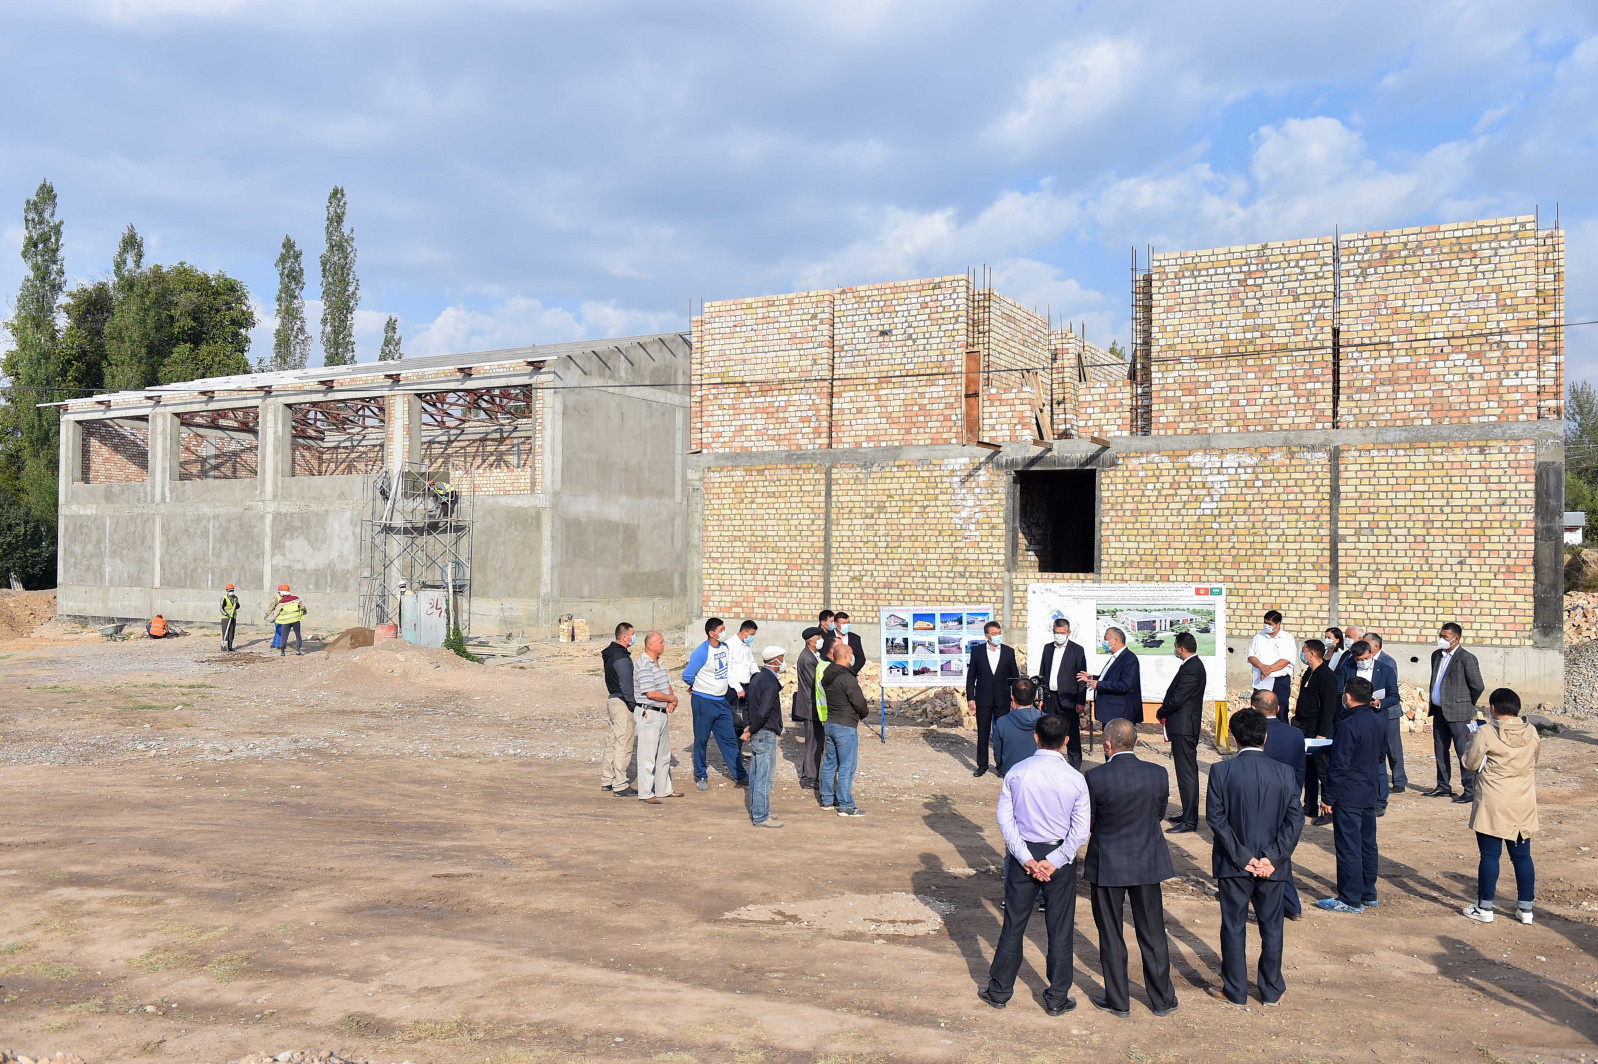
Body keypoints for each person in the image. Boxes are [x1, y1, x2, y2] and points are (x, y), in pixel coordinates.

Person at [978, 714, 1091, 1016]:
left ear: (1036, 738)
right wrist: (1054, 861)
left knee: (1014, 923)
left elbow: (1005, 820)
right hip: (1060, 857)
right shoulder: (1075, 778)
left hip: (1023, 856)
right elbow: (1080, 831)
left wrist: (1026, 858)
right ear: (1066, 742)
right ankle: (1056, 997)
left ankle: (999, 991)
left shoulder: (1017, 772)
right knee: (1060, 927)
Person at [1204, 707, 1303, 1008]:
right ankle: (1271, 990)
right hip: (1273, 867)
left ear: (1234, 738)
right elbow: (1295, 820)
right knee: (1272, 926)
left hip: (1233, 864)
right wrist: (1272, 858)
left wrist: (1243, 857)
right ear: (1265, 737)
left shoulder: (1221, 771)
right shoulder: (1285, 772)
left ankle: (1235, 991)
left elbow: (1216, 818)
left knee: (1233, 926)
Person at [1084, 718, 1179, 1018]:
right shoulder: (1158, 773)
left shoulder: (1095, 777)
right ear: (1136, 742)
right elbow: (1159, 813)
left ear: (1107, 745)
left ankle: (1118, 1000)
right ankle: (1162, 999)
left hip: (1107, 862)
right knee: (1153, 932)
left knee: (1111, 933)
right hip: (1147, 860)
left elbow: (1090, 820)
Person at [1461, 688, 1540, 925]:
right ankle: (1526, 909)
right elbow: (1535, 758)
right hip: (1522, 802)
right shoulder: (1531, 730)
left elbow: (1470, 763)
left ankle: (1485, 907)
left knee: (1489, 856)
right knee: (1522, 857)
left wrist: (1470, 742)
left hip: (1493, 802)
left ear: (1493, 708)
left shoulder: (1485, 731)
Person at [1315, 677, 1385, 914]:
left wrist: (1328, 797)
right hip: (1369, 790)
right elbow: (1380, 756)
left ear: (1348, 696)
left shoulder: (1348, 724)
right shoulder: (1377, 721)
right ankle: (1368, 893)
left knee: (1348, 846)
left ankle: (1349, 898)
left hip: (1348, 793)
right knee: (1367, 844)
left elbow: (1339, 765)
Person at [682, 617, 748, 791]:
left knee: (729, 739)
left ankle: (740, 775)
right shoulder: (702, 652)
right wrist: (696, 687)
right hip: (704, 701)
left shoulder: (725, 648)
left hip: (721, 701)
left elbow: (728, 671)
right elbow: (687, 675)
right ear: (712, 633)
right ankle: (701, 775)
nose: (724, 632)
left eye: (724, 629)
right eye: (721, 630)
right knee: (702, 739)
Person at [1256, 691, 1306, 920]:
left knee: (1265, 852)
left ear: (1254, 709)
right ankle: (1291, 905)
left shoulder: (1255, 732)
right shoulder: (1295, 733)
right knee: (1281, 848)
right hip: (1289, 797)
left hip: (1261, 800)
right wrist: (1295, 794)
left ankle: (1282, 904)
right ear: (1278, 709)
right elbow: (1300, 768)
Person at [1427, 622, 1485, 804]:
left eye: (1445, 637)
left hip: (1459, 713)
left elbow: (1477, 686)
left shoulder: (1467, 658)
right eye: (1440, 635)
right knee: (1440, 750)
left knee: (1464, 752)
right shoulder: (1436, 655)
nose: (1441, 639)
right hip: (1439, 711)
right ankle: (1443, 785)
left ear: (1456, 639)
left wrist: (1465, 702)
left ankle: (1469, 789)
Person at [1156, 631, 1206, 834]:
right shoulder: (1190, 666)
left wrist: (1162, 711)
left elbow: (1178, 698)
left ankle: (1190, 820)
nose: (1175, 650)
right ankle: (1187, 813)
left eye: (1176, 646)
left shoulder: (1192, 668)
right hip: (1181, 726)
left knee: (1187, 774)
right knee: (1183, 772)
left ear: (1181, 648)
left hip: (1184, 727)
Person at [1292, 638, 1340, 825]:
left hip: (1318, 730)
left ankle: (1328, 810)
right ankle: (1310, 804)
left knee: (1323, 771)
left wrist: (1323, 732)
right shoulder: (1309, 673)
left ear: (1311, 654)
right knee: (1308, 769)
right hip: (1304, 727)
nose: (1302, 655)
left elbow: (1329, 707)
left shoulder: (1326, 676)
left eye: (1304, 651)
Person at [819, 642, 870, 817]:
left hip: (831, 722)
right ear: (847, 656)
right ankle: (845, 804)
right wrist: (863, 713)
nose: (853, 657)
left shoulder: (828, 674)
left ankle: (827, 799)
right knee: (847, 766)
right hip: (845, 725)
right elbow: (859, 701)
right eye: (851, 654)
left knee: (830, 763)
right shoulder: (847, 677)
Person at [632, 631, 683, 804]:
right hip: (649, 712)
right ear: (650, 645)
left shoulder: (660, 662)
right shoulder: (643, 664)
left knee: (663, 754)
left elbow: (666, 684)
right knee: (647, 755)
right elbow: (651, 693)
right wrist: (672, 699)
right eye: (660, 642)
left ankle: (663, 789)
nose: (663, 645)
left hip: (661, 712)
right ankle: (646, 792)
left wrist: (671, 700)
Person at [966, 620, 1021, 778]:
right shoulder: (977, 652)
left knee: (1002, 734)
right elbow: (971, 677)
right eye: (994, 634)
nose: (997, 636)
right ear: (987, 636)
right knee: (983, 734)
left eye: (999, 633)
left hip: (1002, 699)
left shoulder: (1008, 652)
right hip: (983, 699)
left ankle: (1001, 766)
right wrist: (971, 697)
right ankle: (982, 765)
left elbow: (1014, 678)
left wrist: (1015, 698)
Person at [742, 645, 787, 829]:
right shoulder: (769, 682)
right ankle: (761, 816)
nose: (783, 662)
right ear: (775, 660)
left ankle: (760, 810)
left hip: (758, 731)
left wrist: (748, 726)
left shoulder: (758, 678)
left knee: (756, 774)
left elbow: (747, 705)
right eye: (781, 658)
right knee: (764, 776)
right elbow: (764, 711)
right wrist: (751, 729)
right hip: (765, 732)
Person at [1036, 617, 1089, 768]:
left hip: (1068, 699)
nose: (1058, 635)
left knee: (1072, 734)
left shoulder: (1077, 650)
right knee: (1049, 731)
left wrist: (1080, 701)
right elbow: (1042, 674)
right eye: (1056, 632)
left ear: (1068, 633)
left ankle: (1075, 765)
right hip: (1050, 698)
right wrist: (1041, 698)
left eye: (1062, 632)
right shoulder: (1048, 648)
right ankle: (1049, 763)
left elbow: (1082, 678)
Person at [1365, 633, 1406, 810]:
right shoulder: (1362, 661)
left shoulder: (1388, 662)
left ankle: (1399, 780)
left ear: (1375, 646)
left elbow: (1390, 687)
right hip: (1372, 710)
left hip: (1388, 711)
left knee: (1393, 746)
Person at [599, 623, 638, 797]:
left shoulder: (611, 653)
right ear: (624, 637)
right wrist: (634, 705)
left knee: (612, 741)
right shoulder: (621, 657)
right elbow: (626, 684)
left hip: (613, 700)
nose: (634, 638)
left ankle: (607, 780)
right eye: (632, 634)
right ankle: (620, 784)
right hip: (622, 703)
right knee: (624, 742)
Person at [1080, 626, 1142, 731]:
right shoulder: (1115, 657)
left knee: (1118, 740)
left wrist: (1098, 684)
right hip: (1110, 713)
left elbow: (1125, 685)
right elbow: (1112, 678)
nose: (1104, 642)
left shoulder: (1129, 659)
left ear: (1115, 640)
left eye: (1106, 639)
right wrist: (1093, 678)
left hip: (1120, 714)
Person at [792, 626, 828, 789]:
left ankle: (811, 775)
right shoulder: (807, 658)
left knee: (817, 742)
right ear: (811, 642)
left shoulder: (815, 655)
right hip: (810, 706)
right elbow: (815, 682)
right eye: (819, 638)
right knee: (813, 743)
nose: (821, 641)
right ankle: (809, 778)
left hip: (815, 705)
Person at [1247, 611, 1295, 722]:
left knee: (1281, 709)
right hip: (1261, 680)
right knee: (1259, 710)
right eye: (1265, 623)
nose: (1266, 626)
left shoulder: (1287, 638)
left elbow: (1286, 660)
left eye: (1269, 624)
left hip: (1280, 681)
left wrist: (1268, 670)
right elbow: (1251, 656)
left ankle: (1281, 731)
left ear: (1278, 624)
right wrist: (1261, 667)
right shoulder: (1258, 637)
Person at [992, 678, 1044, 778]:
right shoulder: (1046, 720)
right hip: (1040, 774)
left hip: (1011, 773)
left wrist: (1001, 767)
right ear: (1035, 697)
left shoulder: (1002, 722)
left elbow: (998, 752)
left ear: (1012, 697)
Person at [727, 620, 760, 753]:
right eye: (751, 634)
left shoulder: (746, 645)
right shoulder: (730, 645)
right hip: (735, 688)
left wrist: (757, 677)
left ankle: (738, 751)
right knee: (735, 720)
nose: (752, 637)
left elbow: (751, 662)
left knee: (744, 720)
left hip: (746, 686)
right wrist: (738, 688)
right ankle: (732, 752)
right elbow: (728, 669)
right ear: (744, 632)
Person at [264, 584, 306, 656]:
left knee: (283, 635)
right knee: (297, 635)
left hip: (284, 621)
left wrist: (270, 618)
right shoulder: (296, 599)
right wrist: (304, 612)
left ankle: (282, 651)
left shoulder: (282, 602)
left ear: (281, 592)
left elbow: (275, 611)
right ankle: (298, 650)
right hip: (295, 620)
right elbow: (303, 607)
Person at [219, 584, 240, 651]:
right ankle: (225, 648)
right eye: (230, 590)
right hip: (225, 618)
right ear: (227, 591)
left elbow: (238, 607)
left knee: (231, 633)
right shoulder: (224, 598)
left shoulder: (235, 598)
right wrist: (227, 614)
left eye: (232, 590)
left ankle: (230, 647)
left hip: (233, 617)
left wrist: (237, 603)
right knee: (225, 633)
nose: (231, 592)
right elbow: (221, 609)